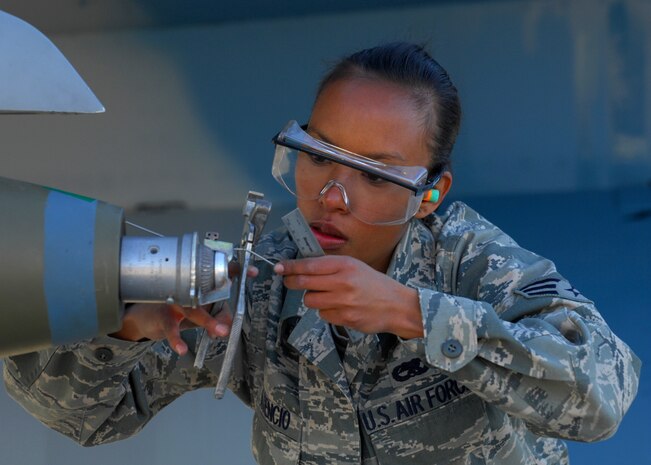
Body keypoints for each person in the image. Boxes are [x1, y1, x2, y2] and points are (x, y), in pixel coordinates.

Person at [3, 42, 640, 465]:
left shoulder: (472, 265)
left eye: (377, 174)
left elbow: (603, 396)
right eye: (317, 157)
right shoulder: (262, 280)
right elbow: (88, 417)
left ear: (429, 193)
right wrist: (122, 331)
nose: (332, 197)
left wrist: (416, 314)